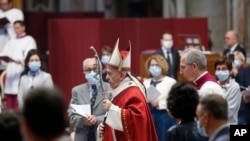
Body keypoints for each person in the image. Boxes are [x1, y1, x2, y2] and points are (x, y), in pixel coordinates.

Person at [98, 39, 158, 141]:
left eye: (110, 73)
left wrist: (112, 110)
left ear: (121, 75)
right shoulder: (119, 90)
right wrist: (103, 128)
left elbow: (138, 122)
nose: (107, 77)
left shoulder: (133, 93)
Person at [68, 57, 111, 141]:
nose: (92, 72)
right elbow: (71, 115)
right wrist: (83, 121)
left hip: (102, 135)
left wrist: (97, 119)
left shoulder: (110, 89)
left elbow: (114, 115)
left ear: (101, 70)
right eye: (88, 70)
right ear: (84, 72)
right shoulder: (77, 91)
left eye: (95, 69)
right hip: (82, 136)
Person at [0, 20, 37, 110]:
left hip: (21, 70)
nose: (15, 30)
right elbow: (4, 53)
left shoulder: (29, 40)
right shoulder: (11, 41)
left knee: (20, 97)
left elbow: (32, 56)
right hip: (11, 71)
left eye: (17, 28)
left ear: (23, 27)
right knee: (10, 98)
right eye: (14, 28)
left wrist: (21, 60)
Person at [143, 54, 175, 141]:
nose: (154, 67)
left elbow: (174, 101)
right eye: (152, 65)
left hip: (164, 116)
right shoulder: (146, 82)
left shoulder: (170, 82)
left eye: (157, 65)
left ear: (162, 66)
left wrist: (159, 103)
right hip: (149, 116)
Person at [214, 56, 241, 125]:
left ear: (230, 71)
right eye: (218, 69)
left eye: (224, 69)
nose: (221, 71)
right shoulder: (213, 85)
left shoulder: (234, 87)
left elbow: (228, 112)